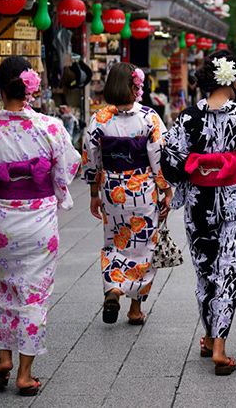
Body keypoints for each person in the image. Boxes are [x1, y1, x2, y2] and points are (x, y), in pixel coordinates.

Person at [0, 57, 81, 397]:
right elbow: (68, 166)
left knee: (5, 288)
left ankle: (3, 359)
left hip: (2, 219)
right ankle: (25, 374)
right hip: (40, 218)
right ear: (30, 88)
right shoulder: (50, 127)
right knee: (35, 293)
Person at [160, 49, 236, 376]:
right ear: (235, 80)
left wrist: (195, 168)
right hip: (235, 199)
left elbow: (171, 163)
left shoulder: (187, 117)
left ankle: (210, 337)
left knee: (205, 268)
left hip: (199, 201)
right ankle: (219, 346)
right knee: (230, 268)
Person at [81, 63, 172, 326]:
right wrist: (166, 189)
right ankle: (134, 309)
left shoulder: (99, 120)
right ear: (135, 86)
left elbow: (91, 158)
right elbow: (159, 158)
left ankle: (113, 288)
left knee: (115, 242)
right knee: (143, 247)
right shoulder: (148, 117)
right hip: (142, 187)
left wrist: (94, 192)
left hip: (112, 188)